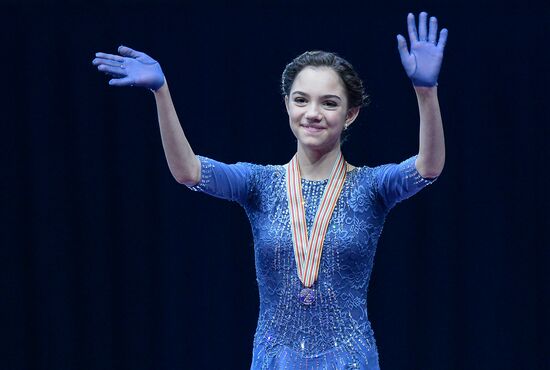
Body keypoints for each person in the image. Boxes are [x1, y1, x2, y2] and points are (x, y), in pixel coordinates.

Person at [93, 11, 447, 370]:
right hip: (275, 358)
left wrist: (426, 93)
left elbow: (428, 167)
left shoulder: (372, 187)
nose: (313, 113)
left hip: (349, 360)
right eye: (301, 100)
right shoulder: (259, 184)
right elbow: (188, 172)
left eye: (329, 102)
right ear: (287, 106)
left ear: (350, 114)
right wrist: (161, 92)